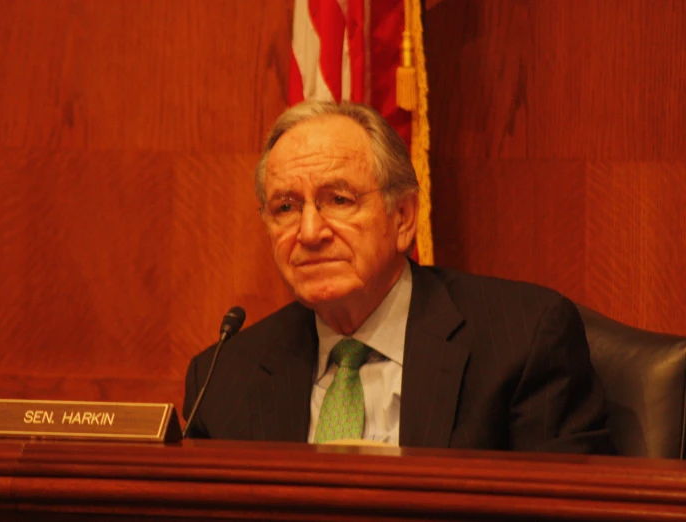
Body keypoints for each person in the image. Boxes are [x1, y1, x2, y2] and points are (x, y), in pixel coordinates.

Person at [183, 100, 614, 454]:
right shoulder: (223, 379)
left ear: (403, 218)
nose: (310, 232)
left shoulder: (522, 340)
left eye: (338, 199)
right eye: (285, 208)